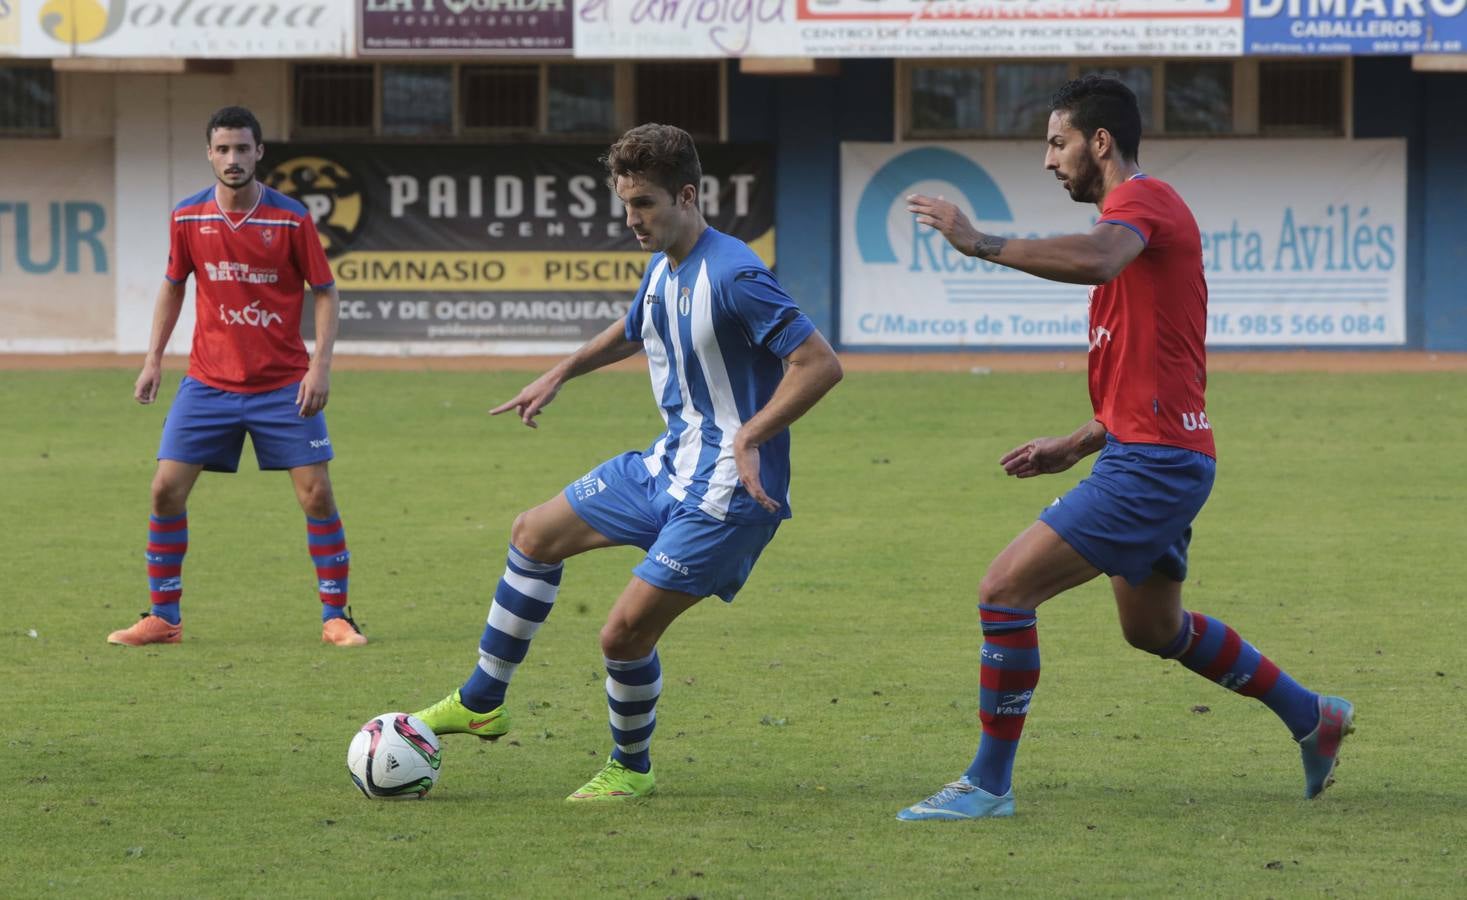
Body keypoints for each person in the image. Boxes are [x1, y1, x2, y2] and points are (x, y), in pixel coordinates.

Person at [895, 76, 1352, 821]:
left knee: (1003, 591)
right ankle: (1313, 716)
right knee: (1152, 629)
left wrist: (975, 241)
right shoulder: (1134, 230)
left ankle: (986, 784)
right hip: (1153, 454)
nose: (1048, 161)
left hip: (1154, 465)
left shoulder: (1141, 203)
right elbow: (1153, 371)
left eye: (1056, 142)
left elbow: (1097, 259)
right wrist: (1074, 443)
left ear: (1097, 142)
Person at [413, 123, 843, 801]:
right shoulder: (664, 264)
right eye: (624, 204)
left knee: (621, 635)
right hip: (666, 467)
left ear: (688, 196)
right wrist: (559, 372)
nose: (631, 219)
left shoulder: (735, 275)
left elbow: (819, 363)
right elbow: (635, 326)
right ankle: (481, 699)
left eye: (643, 204)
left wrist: (752, 435)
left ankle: (630, 768)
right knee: (533, 533)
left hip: (726, 494)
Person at [107, 105, 366, 648]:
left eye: (242, 148)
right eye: (222, 149)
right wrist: (154, 357)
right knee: (164, 491)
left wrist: (320, 365)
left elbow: (325, 291)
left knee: (317, 495)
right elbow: (174, 283)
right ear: (209, 153)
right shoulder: (186, 217)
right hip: (208, 384)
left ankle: (337, 617)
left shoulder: (290, 218)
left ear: (259, 153)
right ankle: (163, 618)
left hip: (281, 384)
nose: (232, 159)